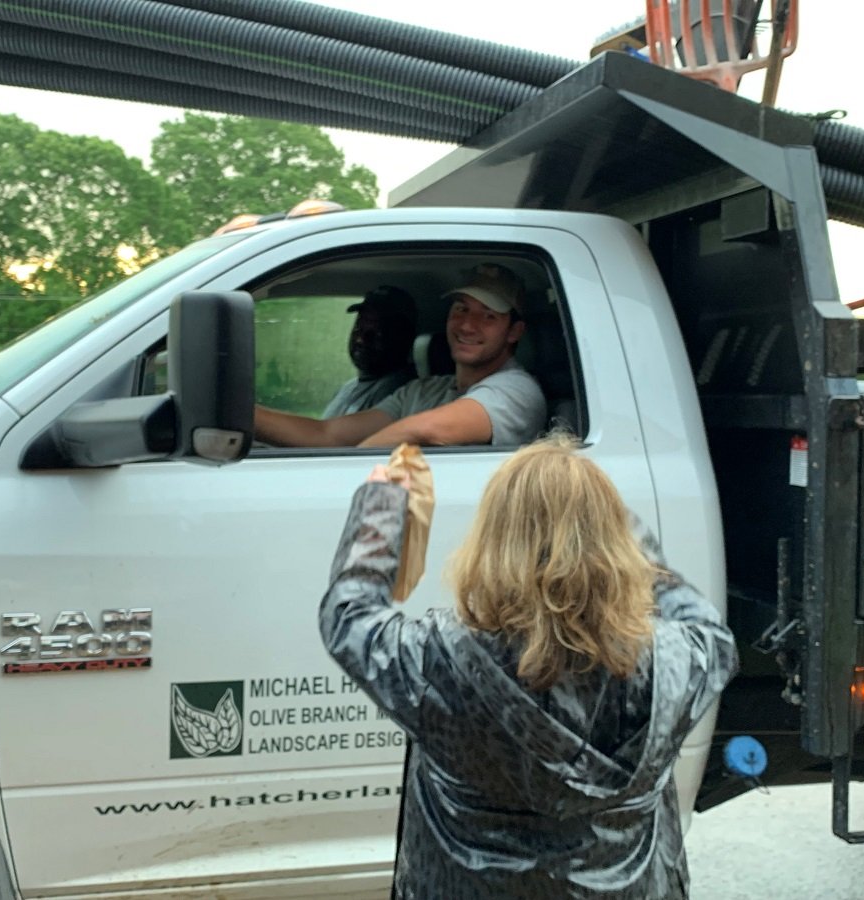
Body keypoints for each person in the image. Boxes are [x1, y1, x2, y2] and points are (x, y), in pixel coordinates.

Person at [319, 434, 738, 898]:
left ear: (492, 541)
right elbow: (712, 633)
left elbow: (349, 615)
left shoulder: (439, 661)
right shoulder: (673, 665)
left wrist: (381, 507)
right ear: (610, 547)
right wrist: (625, 537)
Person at [255, 263, 546, 447]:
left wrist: (348, 470)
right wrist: (238, 414)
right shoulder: (421, 391)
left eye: (489, 316)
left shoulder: (517, 390)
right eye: (461, 309)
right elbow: (327, 435)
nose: (468, 325)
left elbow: (426, 431)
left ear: (514, 332)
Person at [322, 286, 417, 418]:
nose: (361, 339)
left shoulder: (397, 392)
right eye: (359, 327)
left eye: (377, 332)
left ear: (403, 336)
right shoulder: (348, 387)